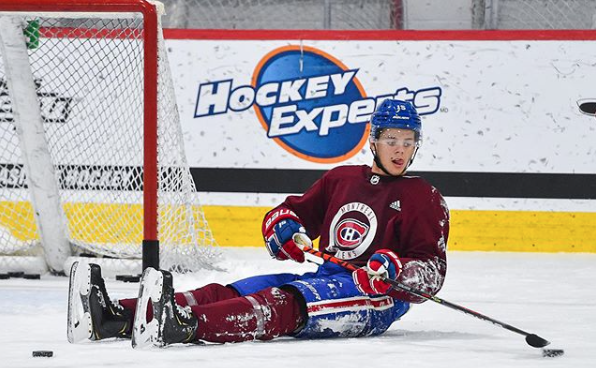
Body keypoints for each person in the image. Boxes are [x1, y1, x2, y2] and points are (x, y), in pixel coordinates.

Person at [67, 99, 450, 348]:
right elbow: (290, 213)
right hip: (326, 275)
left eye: (409, 140)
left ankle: (181, 324)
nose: (400, 149)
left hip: (374, 299)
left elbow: (431, 271)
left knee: (283, 303)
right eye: (392, 139)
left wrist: (395, 271)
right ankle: (114, 316)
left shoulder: (424, 197)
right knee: (230, 290)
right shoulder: (342, 179)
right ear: (374, 139)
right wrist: (283, 227)